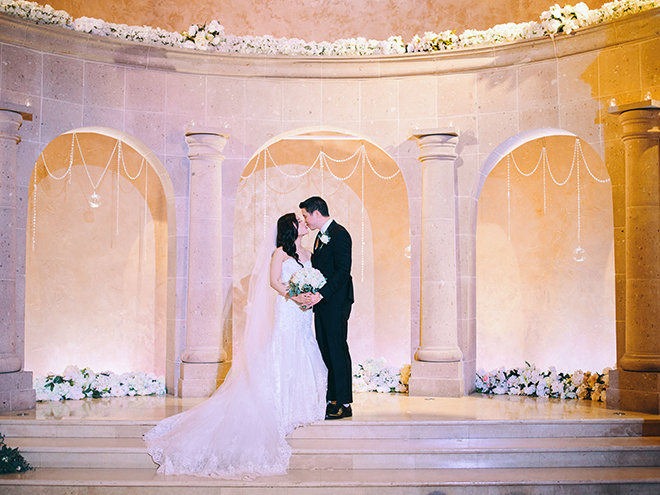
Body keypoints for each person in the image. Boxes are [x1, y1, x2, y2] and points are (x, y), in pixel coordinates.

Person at [144, 213, 327, 479]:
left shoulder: (309, 253)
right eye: (299, 221)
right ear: (291, 228)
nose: (303, 223)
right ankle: (279, 405)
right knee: (283, 348)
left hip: (303, 313)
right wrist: (295, 295)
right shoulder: (280, 253)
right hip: (288, 309)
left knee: (304, 348)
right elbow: (275, 282)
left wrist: (311, 297)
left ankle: (300, 405)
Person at [299, 196, 354, 420]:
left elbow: (343, 272)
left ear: (316, 213)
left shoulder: (340, 234)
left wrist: (321, 294)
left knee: (337, 350)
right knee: (326, 351)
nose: (305, 220)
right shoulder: (320, 238)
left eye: (305, 215)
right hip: (322, 303)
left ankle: (344, 403)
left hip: (335, 302)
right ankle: (332, 399)